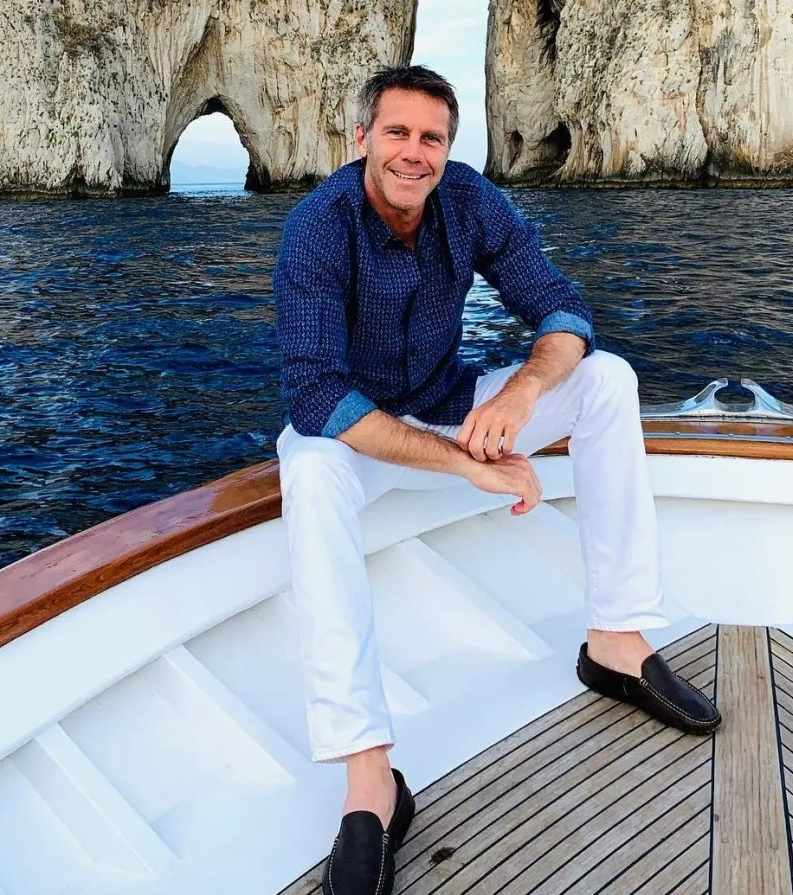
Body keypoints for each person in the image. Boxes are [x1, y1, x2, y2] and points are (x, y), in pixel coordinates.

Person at [273, 65, 721, 895]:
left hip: (449, 402)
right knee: (308, 471)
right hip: (358, 433)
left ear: (450, 147)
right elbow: (318, 395)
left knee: (607, 381)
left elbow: (562, 309)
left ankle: (615, 641)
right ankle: (371, 779)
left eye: (432, 138)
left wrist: (519, 392)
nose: (414, 153)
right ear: (363, 138)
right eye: (397, 133)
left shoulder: (471, 202)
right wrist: (467, 464)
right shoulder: (317, 227)